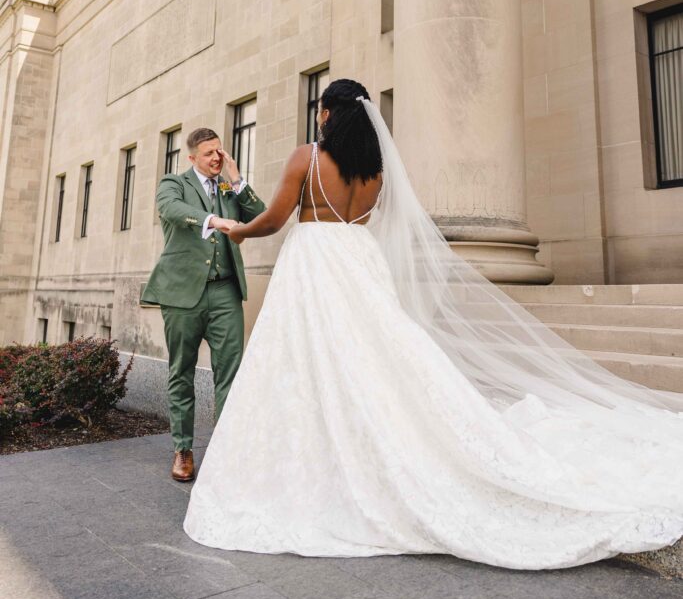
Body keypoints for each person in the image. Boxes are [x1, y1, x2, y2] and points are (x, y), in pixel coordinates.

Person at [183, 81, 683, 570]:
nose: (318, 116)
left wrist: (237, 229)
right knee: (375, 362)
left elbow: (273, 219)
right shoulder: (376, 172)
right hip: (359, 261)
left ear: (327, 113)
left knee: (308, 362)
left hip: (314, 265)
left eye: (320, 109)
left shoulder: (306, 158)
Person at [141, 127, 265, 481]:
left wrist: (237, 179)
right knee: (182, 371)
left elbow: (260, 215)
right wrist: (214, 219)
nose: (216, 158)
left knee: (231, 372)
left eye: (219, 152)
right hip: (182, 295)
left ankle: (226, 451)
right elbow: (172, 209)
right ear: (192, 157)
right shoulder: (173, 184)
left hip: (225, 291)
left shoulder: (228, 188)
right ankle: (183, 449)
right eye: (209, 153)